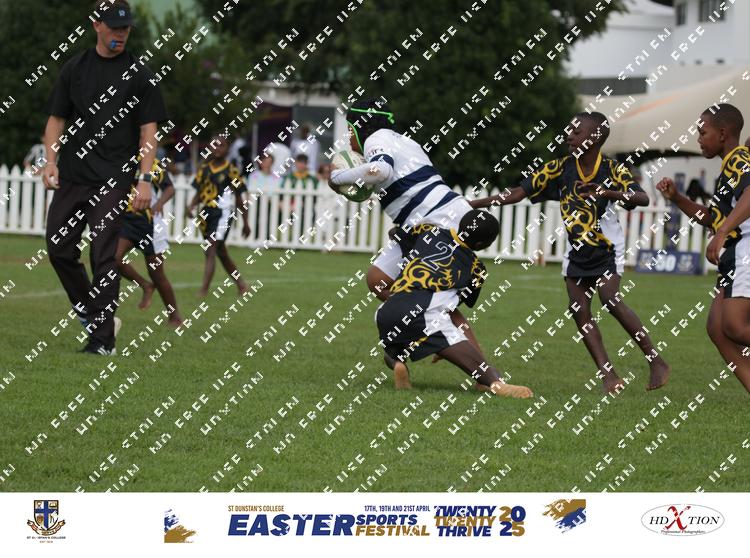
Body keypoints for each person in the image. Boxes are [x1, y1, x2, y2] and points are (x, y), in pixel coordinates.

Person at [475, 112, 670, 393]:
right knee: (578, 310)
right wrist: (473, 204)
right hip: (576, 250)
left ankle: (656, 361)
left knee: (610, 299)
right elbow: (518, 193)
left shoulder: (613, 169)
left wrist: (607, 193)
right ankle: (608, 375)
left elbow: (641, 197)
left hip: (607, 247)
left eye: (576, 132)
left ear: (596, 137)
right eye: (569, 131)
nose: (569, 136)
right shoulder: (559, 167)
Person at [329, 98, 512, 373]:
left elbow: (381, 171)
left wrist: (338, 178)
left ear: (360, 126)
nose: (349, 139)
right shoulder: (404, 141)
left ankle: (480, 371)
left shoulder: (376, 138)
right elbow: (411, 188)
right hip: (425, 224)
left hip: (441, 223)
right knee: (378, 279)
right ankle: (425, 330)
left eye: (350, 130)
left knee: (438, 304)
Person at [42, 0, 168, 355]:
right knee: (58, 249)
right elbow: (56, 119)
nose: (120, 34)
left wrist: (145, 179)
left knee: (104, 255)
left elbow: (149, 131)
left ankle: (102, 341)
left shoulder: (140, 75)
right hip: (73, 175)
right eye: (114, 27)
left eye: (125, 28)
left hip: (114, 179)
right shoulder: (74, 68)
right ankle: (96, 317)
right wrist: (50, 162)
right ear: (96, 25)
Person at [377, 209, 533, 398]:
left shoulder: (430, 231)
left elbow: (395, 233)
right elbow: (458, 306)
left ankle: (397, 362)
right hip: (422, 312)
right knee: (453, 338)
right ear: (482, 244)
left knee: (395, 345)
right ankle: (495, 383)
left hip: (386, 309)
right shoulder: (477, 269)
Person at [678, 103, 750, 393]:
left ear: (722, 134)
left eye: (702, 132)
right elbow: (711, 217)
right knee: (717, 329)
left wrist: (722, 232)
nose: (698, 138)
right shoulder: (727, 167)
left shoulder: (738, 158)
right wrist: (676, 198)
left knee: (734, 326)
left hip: (745, 248)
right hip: (734, 252)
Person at [116, 157, 182, 326]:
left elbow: (169, 189)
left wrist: (159, 203)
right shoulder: (118, 157)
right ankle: (145, 285)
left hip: (151, 223)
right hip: (127, 221)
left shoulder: (151, 162)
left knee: (157, 273)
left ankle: (175, 316)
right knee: (114, 258)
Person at [187, 136, 251, 297]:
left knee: (210, 248)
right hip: (206, 212)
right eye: (215, 145)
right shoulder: (204, 168)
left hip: (223, 213)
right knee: (221, 252)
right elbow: (200, 192)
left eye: (221, 146)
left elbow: (239, 198)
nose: (218, 148)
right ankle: (241, 285)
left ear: (228, 148)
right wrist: (191, 205)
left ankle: (203, 290)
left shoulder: (231, 170)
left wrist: (246, 222)